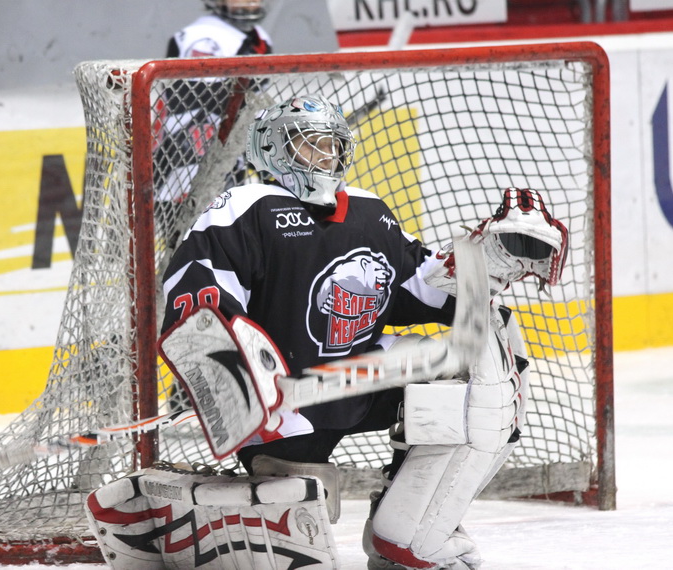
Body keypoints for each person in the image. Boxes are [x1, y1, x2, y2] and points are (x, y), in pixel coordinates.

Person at [156, 94, 568, 569]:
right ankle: (204, 508)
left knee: (481, 368)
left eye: (331, 145)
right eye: (308, 144)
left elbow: (421, 284)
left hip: (360, 380)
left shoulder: (370, 212)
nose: (324, 156)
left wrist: (484, 264)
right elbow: (196, 295)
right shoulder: (247, 206)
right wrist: (238, 379)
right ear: (271, 148)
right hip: (285, 404)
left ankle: (406, 532)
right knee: (296, 520)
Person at [154, 0, 272, 204]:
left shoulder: (258, 36)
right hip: (190, 149)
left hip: (229, 145)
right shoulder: (202, 38)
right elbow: (198, 102)